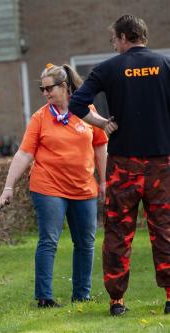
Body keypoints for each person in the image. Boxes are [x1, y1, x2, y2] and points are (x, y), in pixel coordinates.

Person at [68, 14, 170, 316]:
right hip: (162, 164)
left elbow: (76, 103)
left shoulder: (109, 68)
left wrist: (101, 123)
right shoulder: (165, 65)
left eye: (114, 39)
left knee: (118, 232)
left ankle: (117, 301)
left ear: (125, 37)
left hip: (123, 163)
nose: (114, 45)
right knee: (165, 230)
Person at [0, 64, 108, 308]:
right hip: (48, 187)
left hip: (84, 188)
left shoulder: (87, 110)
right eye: (42, 89)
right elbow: (24, 154)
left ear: (65, 87)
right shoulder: (40, 117)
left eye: (50, 88)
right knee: (48, 240)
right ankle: (44, 297)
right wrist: (8, 186)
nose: (46, 93)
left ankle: (82, 294)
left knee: (86, 242)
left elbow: (100, 146)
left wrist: (104, 180)